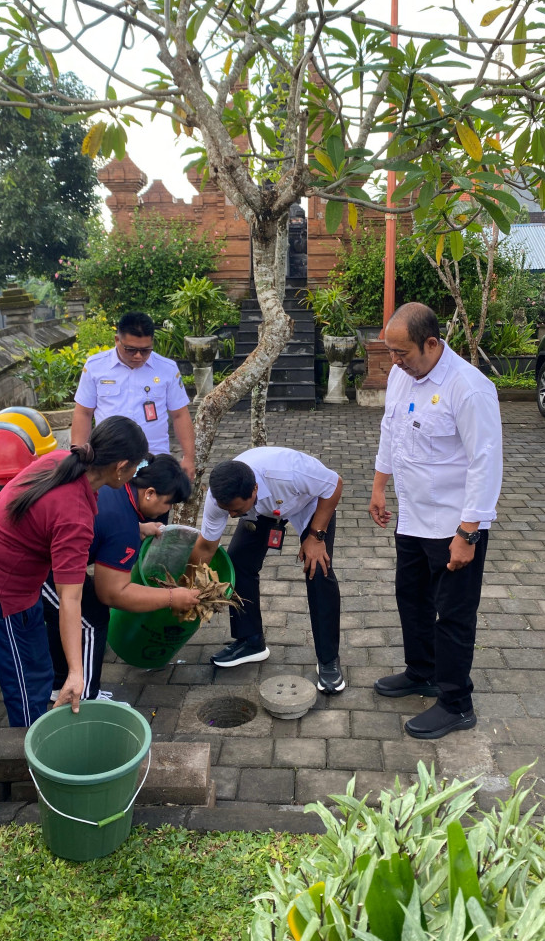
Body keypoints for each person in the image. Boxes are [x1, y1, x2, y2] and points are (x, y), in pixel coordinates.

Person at [369, 302, 503, 740]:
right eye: (390, 352)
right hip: (412, 515)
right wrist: (379, 485)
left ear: (431, 343)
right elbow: (390, 430)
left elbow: (486, 463)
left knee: (454, 616)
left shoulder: (469, 388)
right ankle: (421, 671)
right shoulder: (401, 375)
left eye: (402, 353)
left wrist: (469, 533)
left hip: (454, 524)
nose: (395, 361)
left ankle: (456, 703)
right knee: (411, 598)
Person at [0, 416, 149, 727]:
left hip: (21, 579)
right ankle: (28, 749)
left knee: (40, 670)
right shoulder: (75, 515)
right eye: (136, 468)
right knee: (25, 686)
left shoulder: (60, 460)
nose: (135, 475)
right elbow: (70, 599)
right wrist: (76, 671)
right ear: (121, 467)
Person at [42, 454, 200, 702]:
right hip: (35, 565)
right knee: (91, 618)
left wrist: (139, 528)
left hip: (51, 551)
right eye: (168, 504)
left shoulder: (119, 487)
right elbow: (112, 594)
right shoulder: (122, 522)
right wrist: (172, 597)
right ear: (149, 493)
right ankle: (85, 697)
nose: (167, 511)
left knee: (62, 613)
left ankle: (58, 684)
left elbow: (103, 522)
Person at [189, 447, 345, 693]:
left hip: (310, 502)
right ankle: (251, 641)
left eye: (236, 510)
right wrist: (187, 586)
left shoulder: (291, 472)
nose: (231, 516)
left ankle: (328, 660)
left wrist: (316, 537)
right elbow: (206, 547)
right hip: (262, 511)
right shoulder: (221, 499)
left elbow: (335, 484)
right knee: (238, 562)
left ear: (254, 490)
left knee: (318, 569)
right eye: (227, 510)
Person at [71, 311, 196, 479]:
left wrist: (189, 457)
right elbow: (83, 413)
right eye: (130, 350)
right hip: (108, 461)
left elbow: (180, 414)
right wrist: (78, 458)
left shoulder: (167, 369)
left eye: (145, 350)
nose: (138, 356)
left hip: (154, 460)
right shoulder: (95, 367)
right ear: (117, 340)